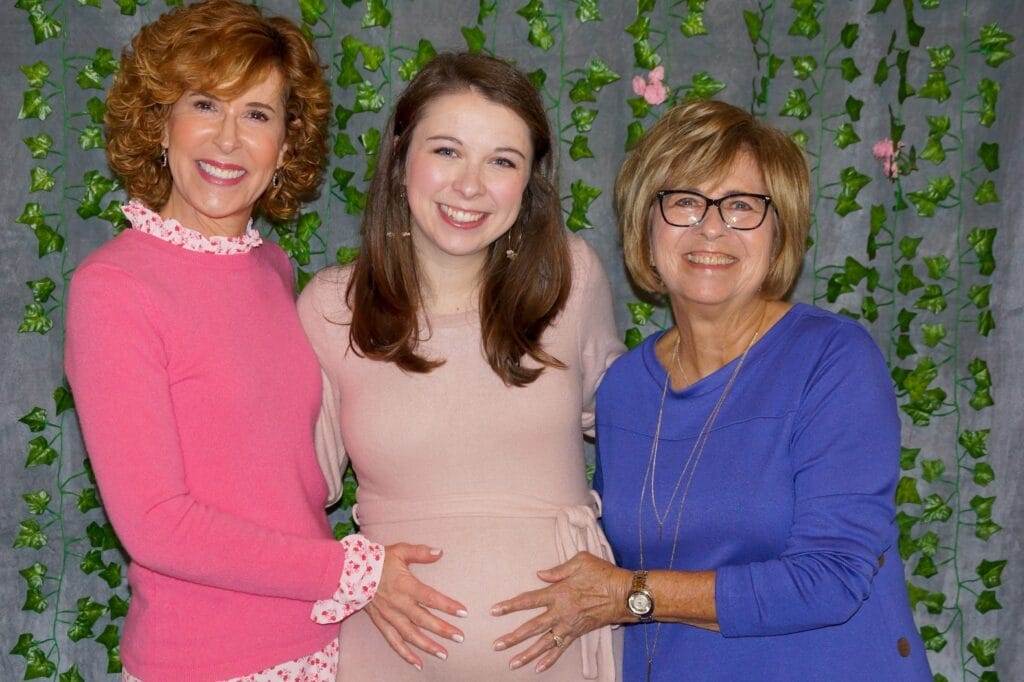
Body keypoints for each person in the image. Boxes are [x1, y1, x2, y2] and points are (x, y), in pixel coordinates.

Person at [490, 99, 933, 681]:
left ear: (780, 233)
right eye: (685, 202)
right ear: (647, 227)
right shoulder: (624, 388)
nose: (712, 227)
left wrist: (632, 595)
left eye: (742, 206)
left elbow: (832, 577)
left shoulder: (833, 360)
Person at [65, 2, 410, 679]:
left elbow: (286, 475)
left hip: (319, 644)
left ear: (285, 146)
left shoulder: (273, 270)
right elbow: (156, 524)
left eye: (256, 114)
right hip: (202, 663)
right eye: (205, 104)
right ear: (162, 122)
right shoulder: (112, 287)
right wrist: (350, 566)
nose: (227, 140)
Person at [298, 52, 624, 680]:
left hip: (558, 656)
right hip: (386, 657)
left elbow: (633, 432)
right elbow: (285, 496)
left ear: (529, 182)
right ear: (399, 161)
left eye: (502, 161)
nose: (470, 185)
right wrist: (351, 574)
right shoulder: (332, 307)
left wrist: (630, 588)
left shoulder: (572, 279)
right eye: (446, 151)